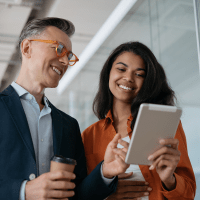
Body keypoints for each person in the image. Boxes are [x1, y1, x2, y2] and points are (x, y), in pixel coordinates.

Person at [0, 17, 131, 200]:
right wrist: (24, 191)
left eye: (69, 56)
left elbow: (78, 194)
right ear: (27, 48)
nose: (64, 61)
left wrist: (105, 172)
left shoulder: (68, 125)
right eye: (59, 48)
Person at [82, 41, 196, 200]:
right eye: (121, 69)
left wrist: (169, 179)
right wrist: (107, 193)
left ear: (147, 81)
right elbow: (82, 193)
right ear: (108, 72)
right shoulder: (89, 135)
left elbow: (189, 194)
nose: (128, 78)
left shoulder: (164, 124)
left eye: (139, 74)